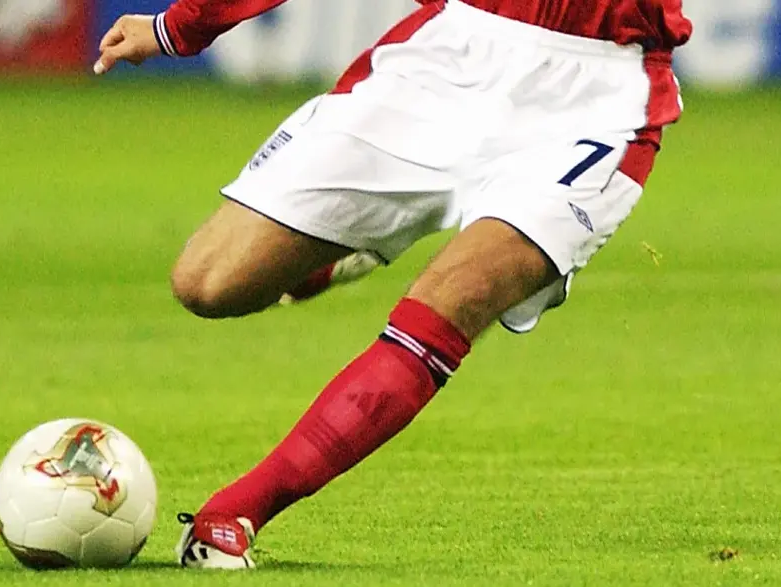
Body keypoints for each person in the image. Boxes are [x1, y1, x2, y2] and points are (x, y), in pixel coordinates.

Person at [92, 0, 691, 569]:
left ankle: (240, 510)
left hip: (601, 93)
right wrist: (183, 27)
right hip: (449, 52)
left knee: (455, 296)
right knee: (208, 283)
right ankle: (337, 255)